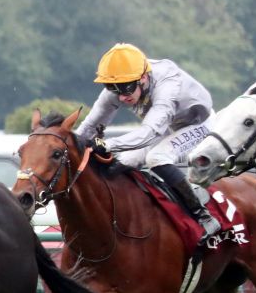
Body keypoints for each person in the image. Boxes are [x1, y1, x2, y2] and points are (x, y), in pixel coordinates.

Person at [74, 42, 221, 238]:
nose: (121, 96)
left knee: (157, 157)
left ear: (143, 77)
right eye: (112, 88)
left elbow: (148, 134)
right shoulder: (121, 86)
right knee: (119, 163)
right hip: (167, 127)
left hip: (200, 126)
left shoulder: (167, 86)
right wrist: (69, 146)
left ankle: (203, 215)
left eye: (126, 88)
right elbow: (89, 126)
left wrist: (107, 144)